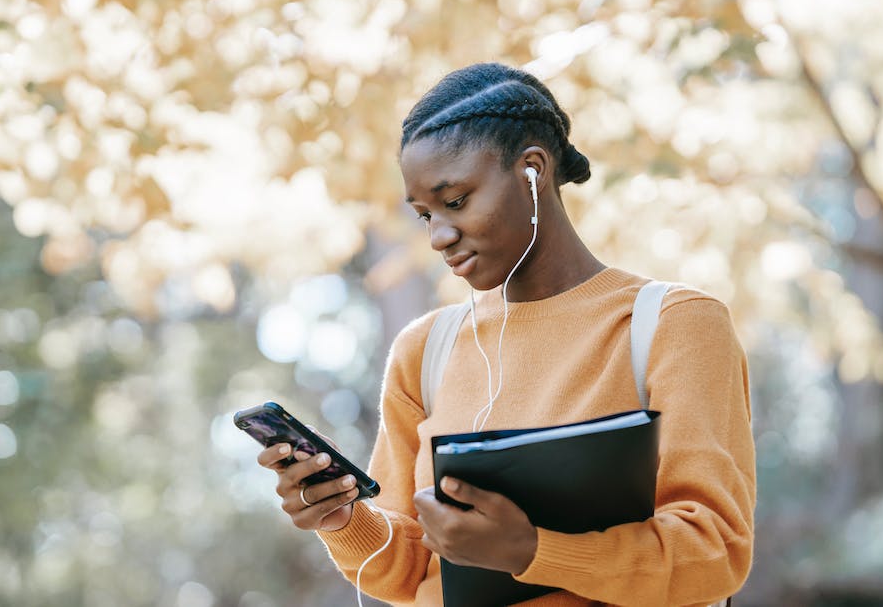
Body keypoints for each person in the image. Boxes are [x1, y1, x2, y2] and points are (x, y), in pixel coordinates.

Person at [255, 62, 756, 606]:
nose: (439, 236)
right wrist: (344, 517)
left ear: (533, 171)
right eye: (425, 215)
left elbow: (715, 551)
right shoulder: (425, 351)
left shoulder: (671, 325)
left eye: (455, 201)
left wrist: (530, 550)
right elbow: (403, 572)